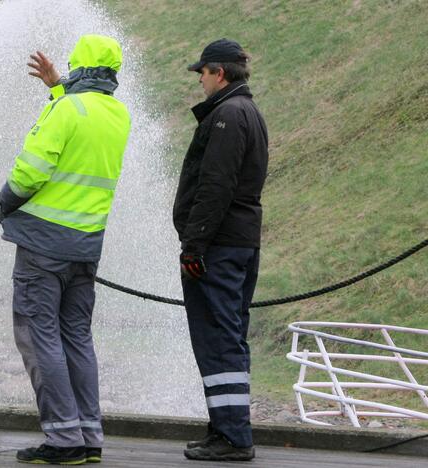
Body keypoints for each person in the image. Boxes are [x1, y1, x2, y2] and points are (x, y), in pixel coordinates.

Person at [0, 34, 131, 465]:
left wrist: (7, 200)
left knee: (41, 339)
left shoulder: (65, 110)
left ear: (78, 67)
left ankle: (62, 440)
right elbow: (79, 126)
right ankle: (89, 437)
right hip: (86, 247)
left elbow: (29, 172)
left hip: (43, 246)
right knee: (77, 337)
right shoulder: (118, 114)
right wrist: (57, 88)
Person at [173, 39, 268, 461]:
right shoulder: (248, 111)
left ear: (220, 74)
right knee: (229, 336)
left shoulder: (228, 114)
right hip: (239, 242)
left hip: (220, 246)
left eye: (203, 73)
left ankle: (232, 437)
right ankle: (226, 428)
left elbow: (215, 186)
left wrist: (194, 246)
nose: (200, 80)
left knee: (219, 338)